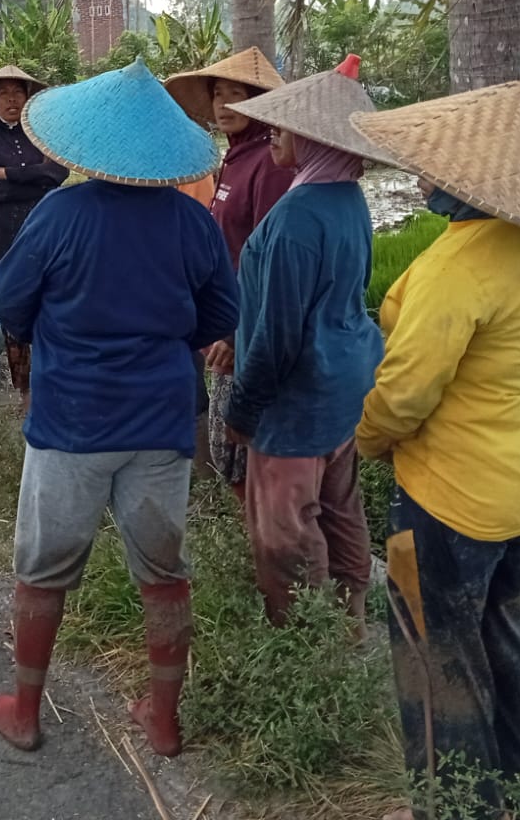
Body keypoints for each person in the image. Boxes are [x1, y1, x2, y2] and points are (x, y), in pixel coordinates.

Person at [351, 80, 520, 820]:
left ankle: (455, 808)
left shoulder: (453, 270)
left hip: (456, 502)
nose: (421, 179)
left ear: (470, 179)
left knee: (438, 661)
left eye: (433, 169)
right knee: (512, 633)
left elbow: (404, 393)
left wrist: (365, 440)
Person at [0, 59, 238, 758]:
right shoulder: (191, 221)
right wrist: (160, 342)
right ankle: (162, 721)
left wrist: (62, 335)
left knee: (43, 569)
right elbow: (220, 312)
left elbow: (12, 306)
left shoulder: (59, 213)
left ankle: (26, 711)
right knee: (163, 574)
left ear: (86, 146)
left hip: (70, 421)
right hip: (161, 422)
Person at [220, 57, 386, 628]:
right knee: (340, 509)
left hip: (296, 402)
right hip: (345, 386)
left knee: (285, 531)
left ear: (314, 138)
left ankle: (311, 640)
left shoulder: (295, 217)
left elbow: (278, 333)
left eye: (285, 127)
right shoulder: (348, 202)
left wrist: (244, 407)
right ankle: (353, 615)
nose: (275, 137)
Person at [166, 48, 294, 495]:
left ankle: (265, 549)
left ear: (259, 102)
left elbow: (268, 261)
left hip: (244, 328)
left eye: (236, 95)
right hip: (223, 318)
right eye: (218, 94)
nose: (223, 105)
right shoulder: (235, 159)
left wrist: (237, 335)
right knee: (230, 447)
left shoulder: (269, 166)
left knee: (247, 450)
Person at [0, 65, 67, 394]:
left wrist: (10, 174)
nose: (11, 99)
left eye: (17, 92)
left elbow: (58, 174)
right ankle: (23, 387)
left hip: (46, 234)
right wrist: (35, 178)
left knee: (51, 304)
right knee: (13, 308)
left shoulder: (44, 136)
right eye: (3, 93)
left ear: (28, 97)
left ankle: (53, 378)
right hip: (4, 238)